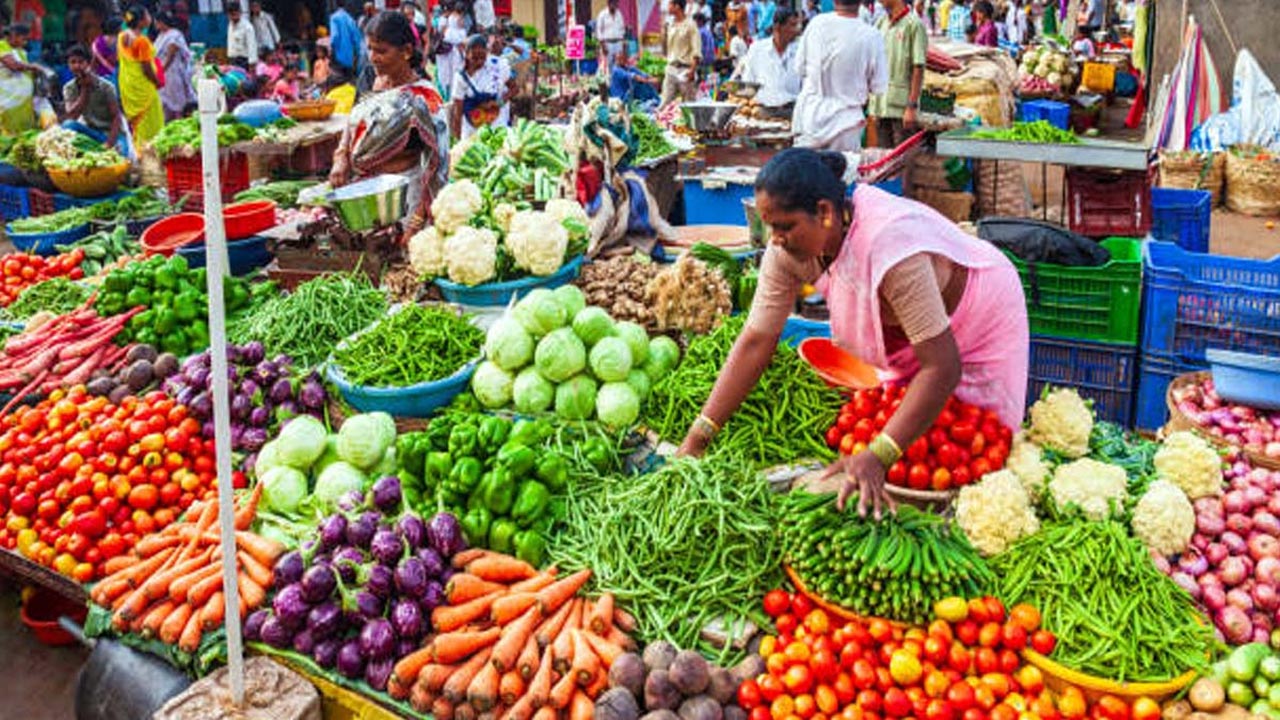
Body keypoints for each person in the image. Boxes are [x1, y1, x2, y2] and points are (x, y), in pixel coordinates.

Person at [676, 148, 1029, 517]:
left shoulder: (889, 243)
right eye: (768, 226)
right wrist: (698, 437)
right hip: (911, 336)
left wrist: (879, 453)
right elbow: (756, 341)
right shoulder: (786, 251)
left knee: (977, 450)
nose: (773, 238)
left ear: (825, 213)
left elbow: (942, 367)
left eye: (783, 226)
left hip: (979, 314)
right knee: (918, 440)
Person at [330, 11, 443, 243]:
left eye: (381, 51)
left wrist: (417, 222)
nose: (373, 57)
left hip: (404, 197)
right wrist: (341, 158)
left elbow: (437, 163)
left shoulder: (423, 98)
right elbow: (352, 123)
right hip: (363, 193)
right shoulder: (369, 77)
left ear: (407, 52)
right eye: (370, 48)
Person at [791, 0, 887, 151]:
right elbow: (878, 86)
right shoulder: (872, 36)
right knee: (841, 172)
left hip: (810, 120)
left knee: (806, 172)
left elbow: (799, 68)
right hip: (846, 126)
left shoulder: (816, 24)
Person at [869, 0, 925, 149]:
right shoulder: (881, 23)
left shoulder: (914, 25)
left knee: (902, 160)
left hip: (901, 108)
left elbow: (918, 67)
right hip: (881, 105)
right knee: (884, 158)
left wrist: (911, 106)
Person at [61, 45, 127, 155]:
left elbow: (116, 117)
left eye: (81, 62)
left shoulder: (106, 86)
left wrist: (109, 144)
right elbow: (72, 115)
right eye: (73, 62)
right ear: (68, 65)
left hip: (110, 133)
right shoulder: (69, 88)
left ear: (88, 64)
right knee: (68, 125)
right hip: (91, 132)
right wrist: (85, 90)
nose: (77, 66)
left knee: (122, 155)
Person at [450, 33, 513, 140]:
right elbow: (457, 112)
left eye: (482, 57)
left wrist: (499, 102)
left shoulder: (497, 66)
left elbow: (514, 88)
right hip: (472, 131)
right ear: (467, 54)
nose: (479, 61)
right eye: (474, 58)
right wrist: (457, 141)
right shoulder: (460, 77)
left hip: (496, 128)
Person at [735, 7, 800, 109]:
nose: (797, 30)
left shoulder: (799, 51)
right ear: (777, 27)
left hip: (793, 111)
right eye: (792, 25)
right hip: (763, 112)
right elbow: (748, 84)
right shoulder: (757, 49)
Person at [117, 6, 163, 144]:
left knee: (137, 123)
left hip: (129, 85)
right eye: (148, 14)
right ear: (142, 21)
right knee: (151, 122)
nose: (150, 17)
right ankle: (149, 152)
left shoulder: (122, 36)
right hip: (144, 87)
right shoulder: (141, 41)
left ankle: (139, 150)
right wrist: (157, 81)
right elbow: (146, 68)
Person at [154, 12, 195, 120]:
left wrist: (161, 70)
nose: (155, 25)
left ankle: (179, 124)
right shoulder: (160, 36)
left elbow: (170, 55)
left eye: (156, 22)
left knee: (177, 104)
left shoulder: (174, 34)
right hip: (163, 74)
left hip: (173, 73)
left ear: (161, 22)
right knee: (164, 104)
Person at [661, 0, 700, 104]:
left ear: (677, 6)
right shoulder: (670, 24)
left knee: (688, 104)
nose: (668, 7)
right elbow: (666, 48)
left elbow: (696, 50)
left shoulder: (691, 25)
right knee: (665, 102)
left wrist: (692, 70)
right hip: (671, 68)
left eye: (670, 4)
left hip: (685, 69)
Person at [0, 24, 37, 134]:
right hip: (6, 101)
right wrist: (36, 67)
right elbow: (14, 65)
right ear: (14, 36)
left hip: (21, 104)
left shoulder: (20, 51)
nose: (25, 43)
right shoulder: (2, 46)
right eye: (23, 39)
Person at [435, 3, 467, 100]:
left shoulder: (461, 31)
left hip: (457, 59)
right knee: (447, 79)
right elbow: (459, 43)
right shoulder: (449, 30)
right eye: (459, 17)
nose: (461, 20)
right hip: (449, 59)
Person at [329, 0, 364, 81]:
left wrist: (331, 49)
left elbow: (335, 37)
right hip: (349, 57)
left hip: (338, 56)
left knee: (338, 79)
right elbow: (357, 39)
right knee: (349, 80)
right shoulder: (349, 18)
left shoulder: (334, 18)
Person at [595, 0, 626, 68]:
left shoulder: (619, 14)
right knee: (609, 64)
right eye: (612, 2)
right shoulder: (602, 14)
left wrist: (623, 43)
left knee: (619, 64)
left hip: (618, 43)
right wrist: (603, 45)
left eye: (615, 3)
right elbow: (599, 30)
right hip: (607, 43)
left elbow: (622, 29)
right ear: (608, 3)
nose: (614, 4)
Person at [225, 2, 258, 67]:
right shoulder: (230, 25)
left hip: (244, 61)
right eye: (230, 14)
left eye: (234, 14)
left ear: (240, 12)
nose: (232, 16)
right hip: (232, 59)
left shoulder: (247, 27)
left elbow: (252, 46)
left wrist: (252, 64)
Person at [92, 16, 119, 80]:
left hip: (102, 76)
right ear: (118, 28)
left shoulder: (98, 41)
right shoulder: (121, 41)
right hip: (117, 76)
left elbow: (94, 61)